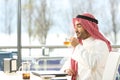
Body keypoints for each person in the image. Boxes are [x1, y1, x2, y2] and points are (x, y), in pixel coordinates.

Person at [61, 13, 112, 80]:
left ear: (89, 27)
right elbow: (69, 62)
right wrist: (67, 69)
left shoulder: (100, 44)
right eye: (75, 27)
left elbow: (93, 64)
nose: (76, 30)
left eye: (79, 26)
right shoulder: (81, 45)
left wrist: (77, 46)